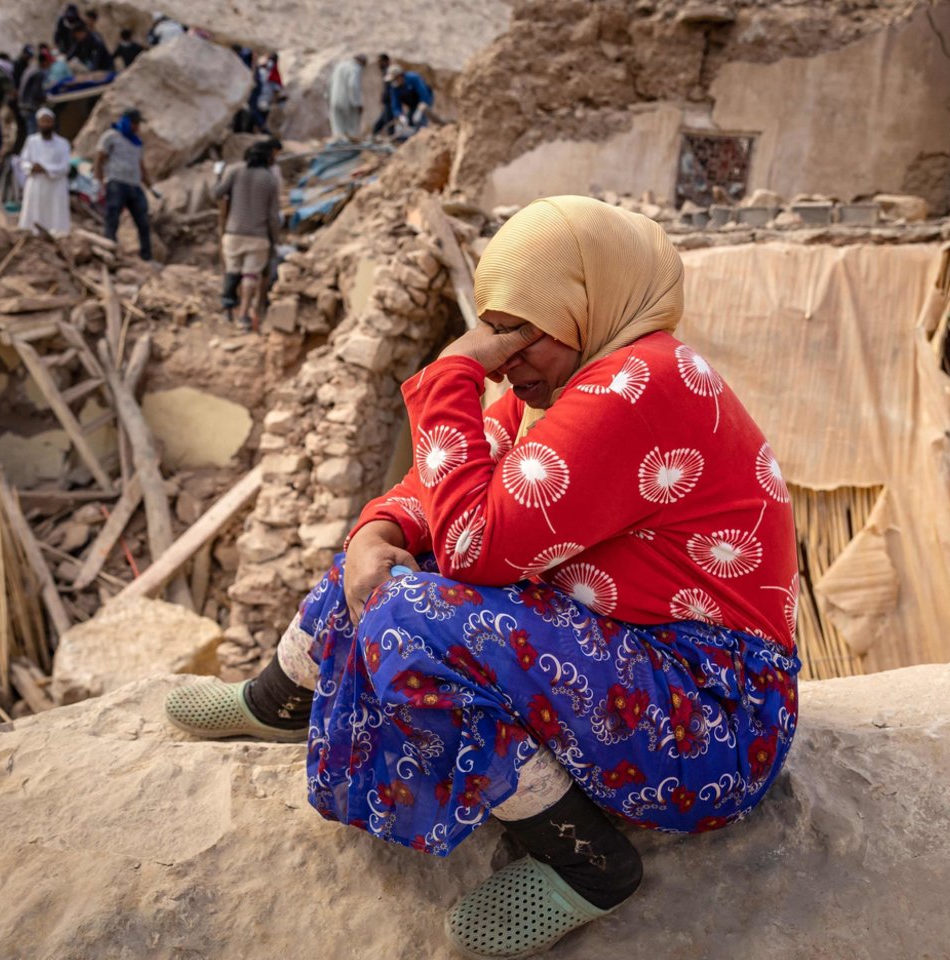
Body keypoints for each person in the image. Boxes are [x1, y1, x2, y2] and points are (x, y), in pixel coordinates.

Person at [164, 196, 801, 958]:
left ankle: (589, 862)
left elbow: (473, 545)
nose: (505, 357)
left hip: (710, 715)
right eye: (496, 330)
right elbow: (440, 494)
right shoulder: (569, 385)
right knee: (392, 567)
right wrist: (378, 530)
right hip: (637, 667)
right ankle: (283, 697)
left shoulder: (643, 382)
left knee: (409, 614)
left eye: (521, 333)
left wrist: (451, 372)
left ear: (590, 303)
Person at [213, 139, 281, 330]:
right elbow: (273, 216)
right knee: (250, 276)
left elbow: (217, 193)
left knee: (232, 271)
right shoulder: (269, 179)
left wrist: (218, 176)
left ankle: (227, 309)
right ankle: (243, 316)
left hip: (233, 233)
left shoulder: (235, 171)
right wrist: (274, 240)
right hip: (258, 237)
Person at [94, 107, 154, 261]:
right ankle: (109, 248)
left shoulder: (137, 143)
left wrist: (151, 186)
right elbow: (100, 159)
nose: (137, 127)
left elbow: (141, 166)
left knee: (143, 221)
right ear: (127, 122)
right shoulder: (111, 137)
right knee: (112, 216)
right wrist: (98, 181)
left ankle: (146, 256)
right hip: (116, 182)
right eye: (134, 123)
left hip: (134, 184)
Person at [17, 107, 71, 235]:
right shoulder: (31, 141)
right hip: (36, 182)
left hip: (55, 184)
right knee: (34, 211)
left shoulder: (63, 144)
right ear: (38, 123)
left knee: (55, 214)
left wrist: (46, 169)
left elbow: (65, 166)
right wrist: (31, 168)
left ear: (53, 123)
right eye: (43, 121)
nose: (46, 124)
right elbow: (23, 161)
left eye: (48, 121)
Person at [383, 64, 435, 138]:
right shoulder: (395, 88)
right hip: (412, 105)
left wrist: (419, 111)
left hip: (424, 101)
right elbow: (395, 104)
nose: (393, 82)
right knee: (410, 122)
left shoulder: (413, 78)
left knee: (420, 121)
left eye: (394, 79)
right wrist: (400, 115)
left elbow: (424, 96)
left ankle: (423, 137)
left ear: (399, 76)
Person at [327, 54, 365, 142]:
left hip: (334, 99)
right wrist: (357, 103)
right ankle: (349, 150)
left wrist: (328, 98)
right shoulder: (355, 68)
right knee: (351, 129)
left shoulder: (339, 66)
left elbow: (329, 83)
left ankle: (338, 148)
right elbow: (353, 86)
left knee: (337, 128)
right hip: (348, 102)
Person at [17, 49, 51, 139]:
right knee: (33, 134)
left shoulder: (31, 69)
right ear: (44, 62)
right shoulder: (38, 73)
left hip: (23, 105)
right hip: (30, 106)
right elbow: (36, 92)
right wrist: (45, 98)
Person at [371, 53, 395, 136]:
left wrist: (386, 97)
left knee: (388, 124)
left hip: (390, 102)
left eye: (380, 61)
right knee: (382, 123)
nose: (378, 64)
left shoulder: (389, 72)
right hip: (388, 102)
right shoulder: (385, 71)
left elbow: (391, 88)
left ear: (385, 61)